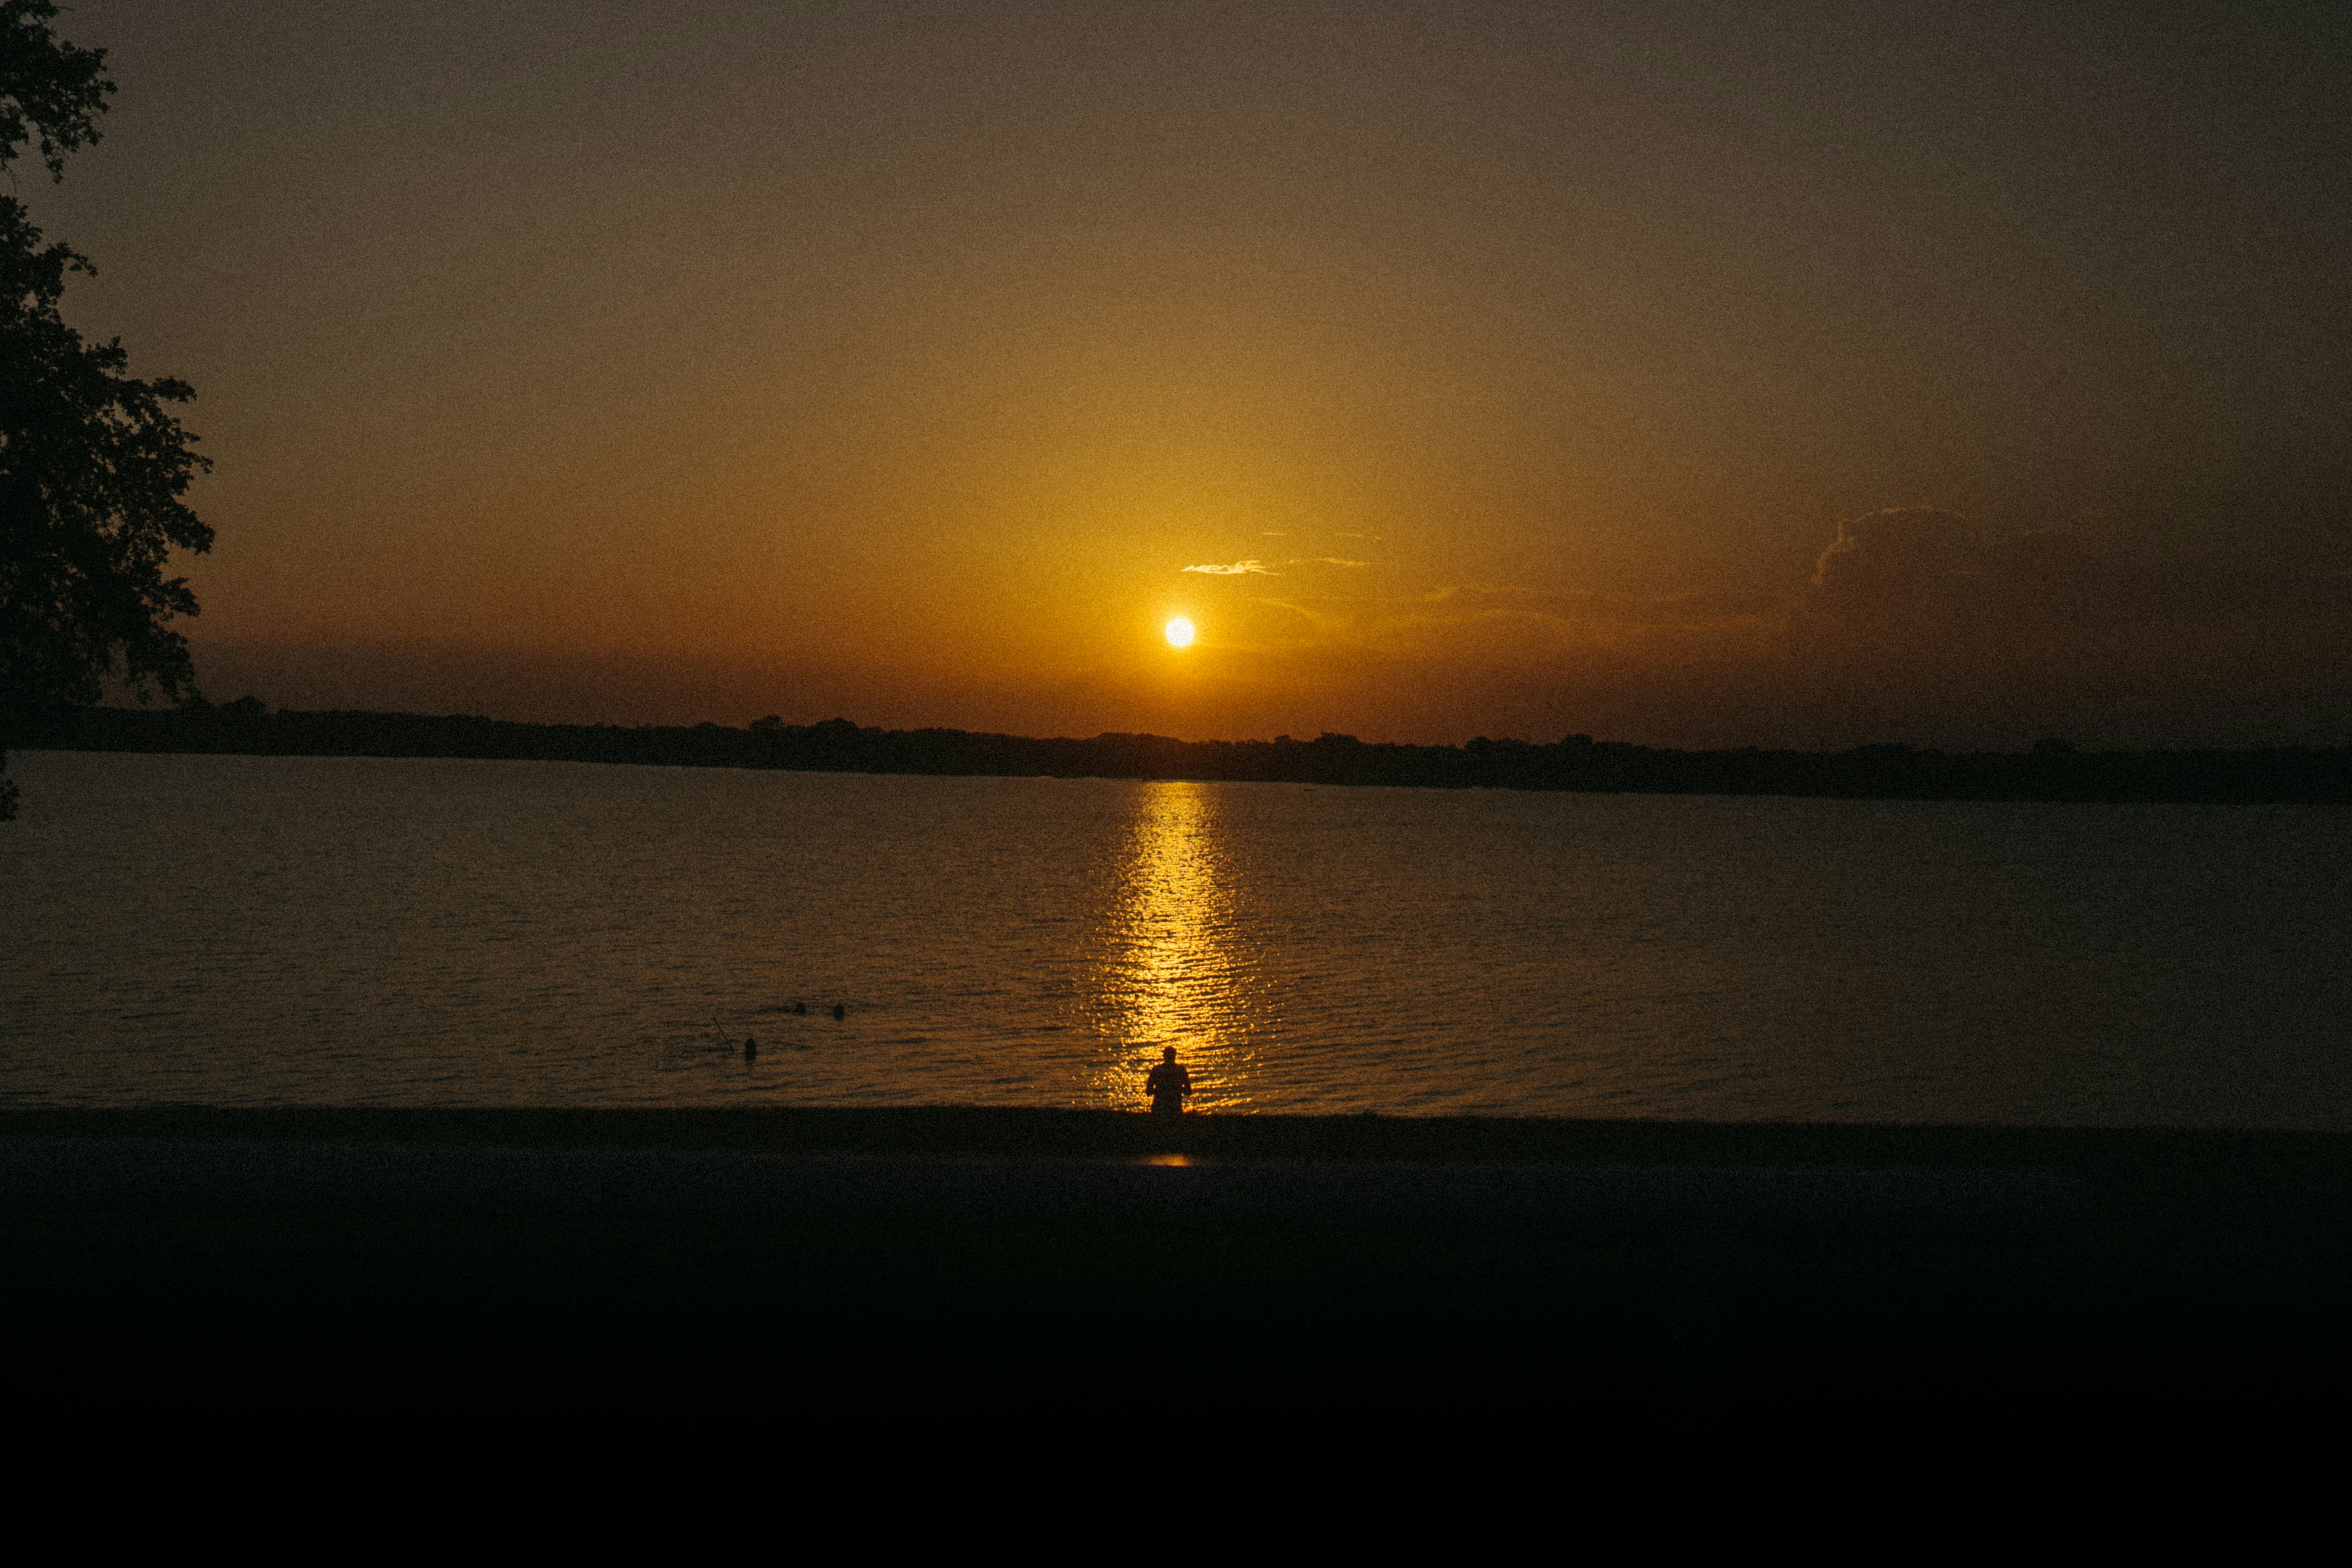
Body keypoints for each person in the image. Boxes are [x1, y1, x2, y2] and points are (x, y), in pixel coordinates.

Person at [1145, 1047, 1192, 1119]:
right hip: (1175, 1109)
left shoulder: (1157, 1070)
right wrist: (1177, 1089)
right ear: (1175, 1057)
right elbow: (1188, 1092)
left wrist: (1161, 1091)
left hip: (1159, 1110)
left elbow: (1149, 1092)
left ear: (1164, 1057)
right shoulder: (1181, 1070)